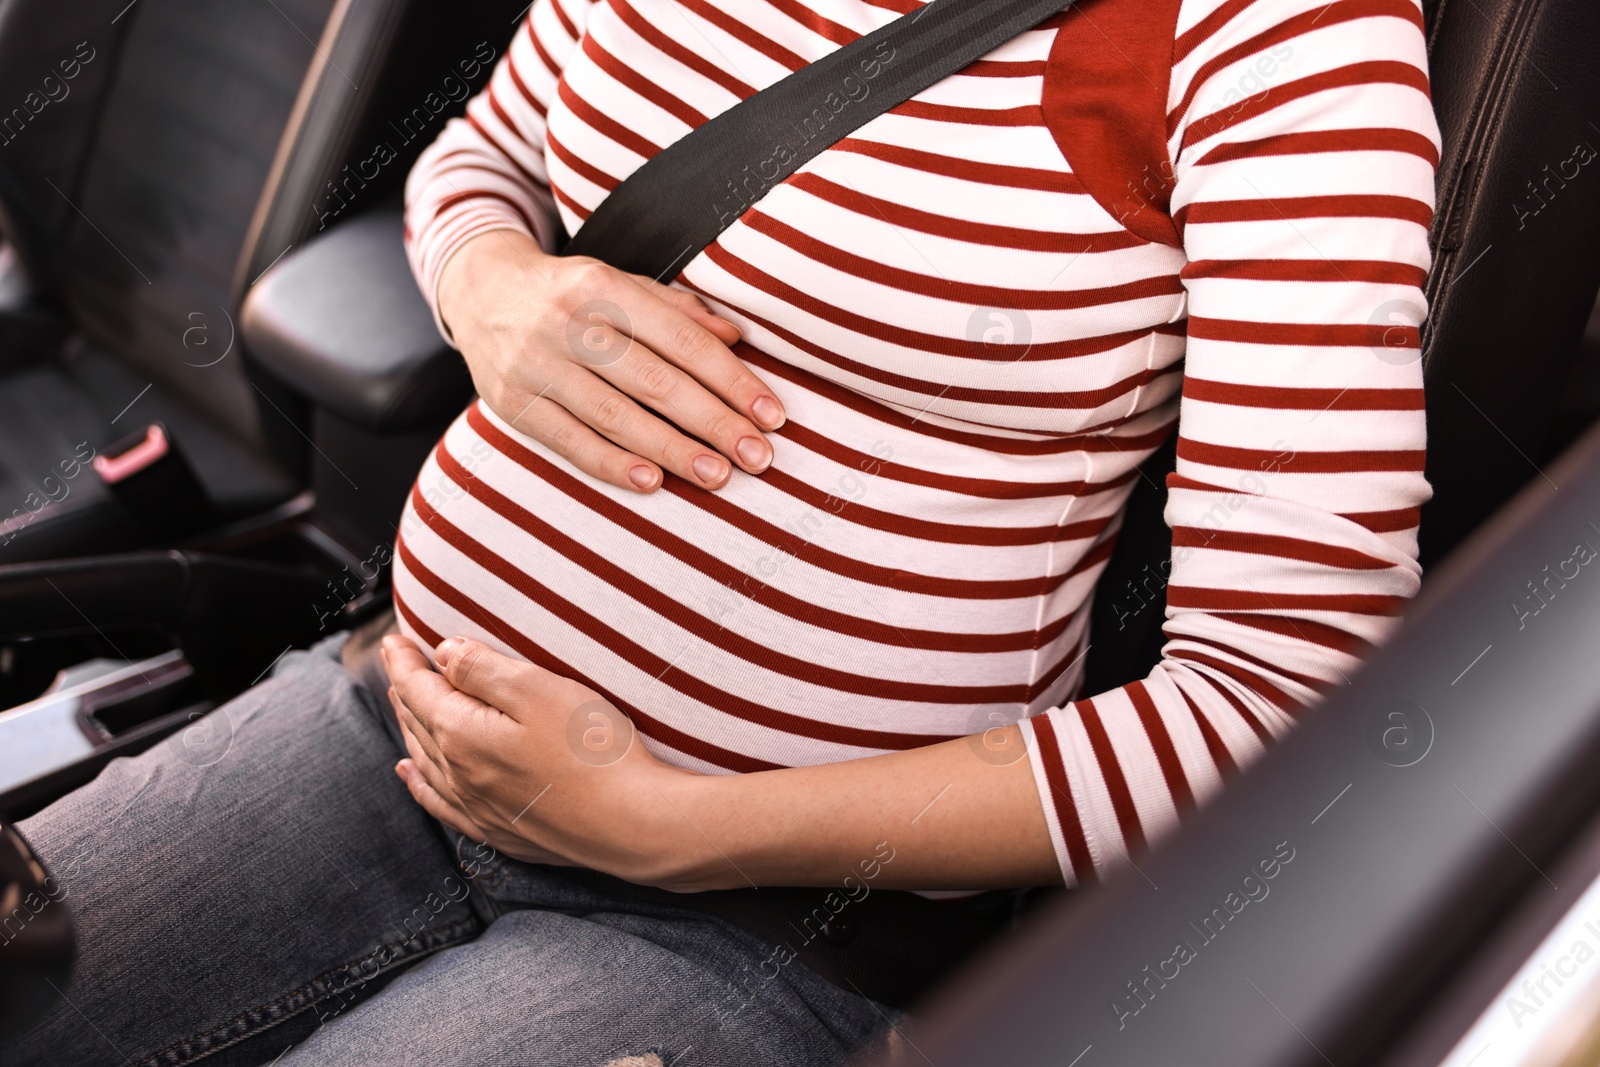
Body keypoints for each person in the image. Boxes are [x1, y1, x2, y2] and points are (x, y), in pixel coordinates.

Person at [13, 0, 1437, 1063]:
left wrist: (676, 832)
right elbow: (483, 151)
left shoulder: (1273, 39)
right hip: (403, 722)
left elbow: (1285, 696)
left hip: (762, 917)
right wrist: (492, 289)